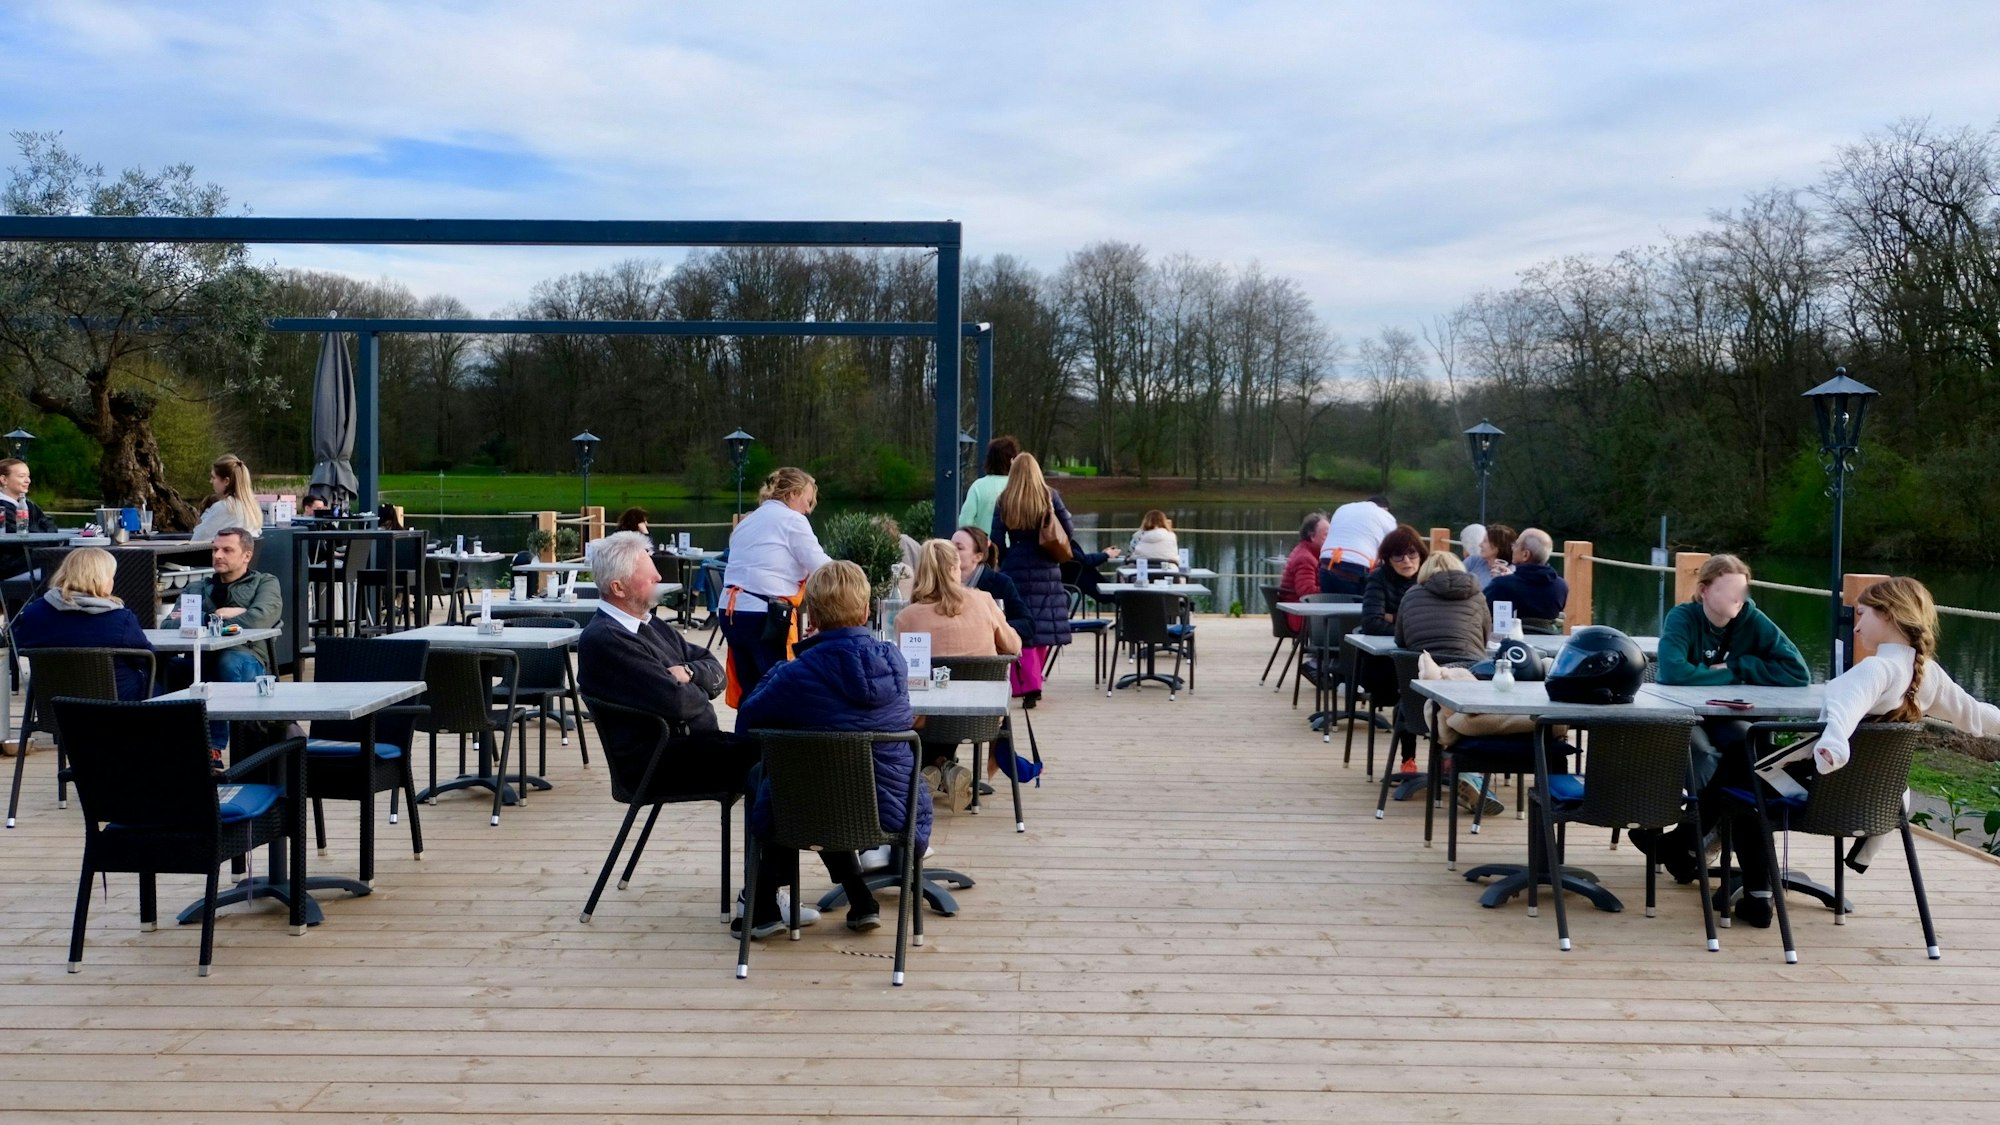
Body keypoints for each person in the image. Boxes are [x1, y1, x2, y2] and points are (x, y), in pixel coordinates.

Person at [1723, 578, 2000, 928]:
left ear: (1888, 615)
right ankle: (1695, 854)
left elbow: (1843, 713)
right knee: (1744, 763)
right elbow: (1975, 715)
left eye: (1862, 613)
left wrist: (1832, 747)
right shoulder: (1928, 673)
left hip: (1823, 794)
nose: (1856, 625)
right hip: (1874, 801)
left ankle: (1749, 890)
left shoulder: (1874, 669)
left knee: (1735, 765)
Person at [734, 561, 927, 937]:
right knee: (824, 773)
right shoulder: (895, 664)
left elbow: (747, 724)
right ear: (865, 610)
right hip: (890, 808)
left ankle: (763, 900)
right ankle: (860, 897)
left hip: (812, 810)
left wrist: (787, 662)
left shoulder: (795, 674)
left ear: (814, 614)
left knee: (778, 775)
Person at [1639, 554, 1811, 884]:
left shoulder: (1751, 618)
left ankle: (1691, 841)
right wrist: (1726, 675)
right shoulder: (1683, 618)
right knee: (1702, 753)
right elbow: (1673, 673)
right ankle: (1701, 842)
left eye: (1743, 592)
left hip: (1729, 716)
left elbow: (1797, 672)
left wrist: (1738, 667)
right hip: (1686, 716)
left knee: (1745, 744)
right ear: (1704, 590)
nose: (1739, 600)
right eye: (1731, 591)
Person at [896, 538, 1022, 808]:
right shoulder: (985, 601)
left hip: (927, 719)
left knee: (929, 696)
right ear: (955, 568)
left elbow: (904, 672)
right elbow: (1014, 646)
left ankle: (930, 771)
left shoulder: (908, 617)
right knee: (951, 691)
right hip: (983, 714)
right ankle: (944, 768)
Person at [165, 527, 282, 758]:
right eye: (215, 549)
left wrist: (197, 620)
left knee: (226, 662)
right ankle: (167, 746)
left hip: (248, 659)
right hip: (201, 660)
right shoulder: (197, 587)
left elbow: (260, 618)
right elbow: (168, 626)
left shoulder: (265, 583)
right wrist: (218, 616)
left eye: (227, 550)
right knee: (162, 667)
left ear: (246, 555)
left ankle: (213, 748)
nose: (218, 555)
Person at [720, 467, 832, 700]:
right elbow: (823, 569)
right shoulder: (792, 520)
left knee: (747, 692)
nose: (808, 510)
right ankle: (768, 737)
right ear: (792, 494)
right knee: (774, 692)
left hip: (731, 612)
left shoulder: (749, 521)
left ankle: (744, 736)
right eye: (808, 501)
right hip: (763, 617)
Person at [10, 547, 154, 701]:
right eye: (111, 576)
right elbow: (148, 660)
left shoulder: (34, 614)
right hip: (119, 709)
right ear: (100, 579)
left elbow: (19, 645)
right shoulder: (119, 620)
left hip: (56, 709)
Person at [990, 452, 1077, 702]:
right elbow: (1068, 530)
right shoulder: (1049, 496)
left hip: (1015, 566)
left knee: (1022, 625)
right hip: (1046, 565)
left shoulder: (1004, 500)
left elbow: (996, 541)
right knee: (1043, 627)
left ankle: (1028, 683)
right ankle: (1033, 680)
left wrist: (1006, 560)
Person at [1359, 526, 1427, 773]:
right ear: (1387, 559)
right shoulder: (1379, 578)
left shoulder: (1431, 576)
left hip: (1428, 657)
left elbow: (1435, 620)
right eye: (1398, 556)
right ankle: (1408, 760)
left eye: (1412, 554)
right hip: (1385, 667)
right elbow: (1371, 622)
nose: (1407, 561)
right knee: (1407, 693)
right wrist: (1409, 625)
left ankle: (1449, 761)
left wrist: (1393, 617)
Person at [1395, 550, 1490, 665]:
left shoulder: (1411, 595)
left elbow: (1400, 640)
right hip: (1468, 665)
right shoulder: (1477, 596)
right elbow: (1485, 637)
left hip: (1422, 667)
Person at [954, 526, 1033, 644]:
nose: (951, 552)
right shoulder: (937, 582)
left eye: (959, 548)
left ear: (978, 556)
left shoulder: (1000, 583)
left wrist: (994, 626)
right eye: (949, 546)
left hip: (987, 655)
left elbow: (1028, 625)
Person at [1482, 527, 1566, 629]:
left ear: (1525, 554)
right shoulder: (1561, 587)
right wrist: (1511, 578)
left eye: (1516, 545)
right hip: (1548, 637)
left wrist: (1505, 581)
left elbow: (1479, 610)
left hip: (1509, 640)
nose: (1512, 548)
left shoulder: (1501, 585)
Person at [1318, 495, 1396, 596]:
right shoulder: (1386, 516)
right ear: (1385, 509)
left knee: (1330, 609)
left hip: (1326, 564)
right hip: (1354, 570)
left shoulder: (1343, 509)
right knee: (1357, 610)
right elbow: (1394, 547)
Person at [0, 458, 57, 586]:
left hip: (32, 560)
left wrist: (34, 530)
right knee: (65, 565)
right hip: (10, 568)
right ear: (4, 479)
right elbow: (19, 539)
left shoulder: (29, 504)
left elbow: (51, 526)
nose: (28, 481)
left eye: (28, 476)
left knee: (73, 557)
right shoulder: (1, 508)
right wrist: (39, 531)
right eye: (21, 476)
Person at [956, 435, 1020, 540]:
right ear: (1012, 460)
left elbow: (965, 521)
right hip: (1013, 548)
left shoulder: (978, 486)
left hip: (986, 548)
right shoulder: (1018, 486)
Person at [190, 454, 264, 541]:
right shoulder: (252, 508)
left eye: (213, 477)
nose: (211, 481)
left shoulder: (224, 508)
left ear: (226, 481)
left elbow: (197, 539)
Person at [1279, 512, 1329, 632]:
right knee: (1343, 619)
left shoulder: (1305, 552)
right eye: (1326, 536)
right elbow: (1306, 592)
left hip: (1295, 610)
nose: (1330, 540)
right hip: (1298, 614)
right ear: (1312, 536)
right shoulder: (1305, 558)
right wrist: (1331, 588)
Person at [1460, 523, 1494, 590]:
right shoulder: (1474, 560)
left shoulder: (1509, 572)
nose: (1480, 545)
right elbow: (1453, 577)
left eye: (1485, 541)